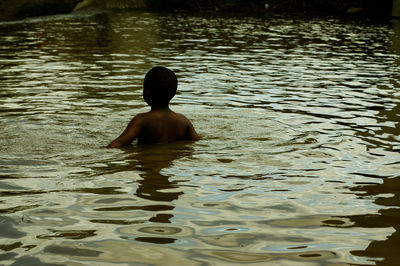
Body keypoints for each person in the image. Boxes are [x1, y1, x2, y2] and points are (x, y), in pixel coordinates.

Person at [107, 66, 200, 148]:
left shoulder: (142, 120)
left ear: (146, 93)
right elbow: (197, 142)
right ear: (173, 94)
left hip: (147, 165)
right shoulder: (183, 121)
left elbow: (119, 142)